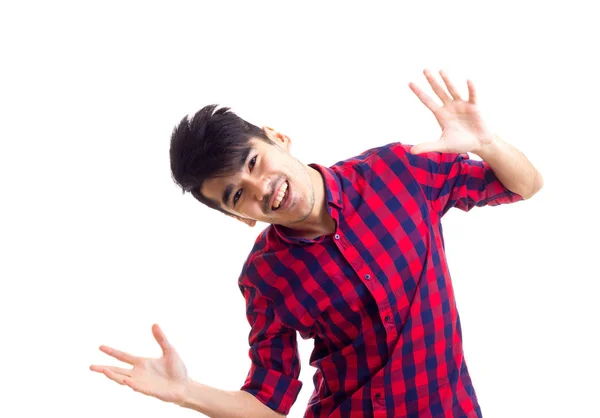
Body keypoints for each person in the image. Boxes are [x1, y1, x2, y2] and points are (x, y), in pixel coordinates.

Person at [90, 69, 543, 417]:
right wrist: (186, 392)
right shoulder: (264, 277)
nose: (261, 188)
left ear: (278, 138)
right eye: (237, 195)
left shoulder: (400, 171)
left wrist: (487, 143)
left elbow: (524, 185)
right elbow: (269, 400)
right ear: (237, 216)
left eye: (254, 161)